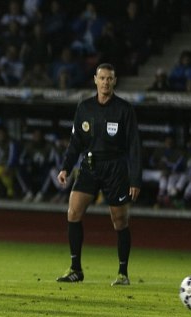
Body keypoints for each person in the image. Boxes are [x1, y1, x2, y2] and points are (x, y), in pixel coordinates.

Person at [55, 63, 142, 286]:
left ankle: (123, 273)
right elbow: (75, 142)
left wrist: (135, 178)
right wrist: (65, 167)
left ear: (115, 81)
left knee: (119, 220)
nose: (105, 82)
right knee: (73, 212)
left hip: (115, 168)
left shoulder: (124, 109)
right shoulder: (84, 107)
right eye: (102, 78)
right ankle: (76, 269)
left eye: (109, 79)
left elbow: (134, 146)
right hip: (90, 165)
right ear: (95, 80)